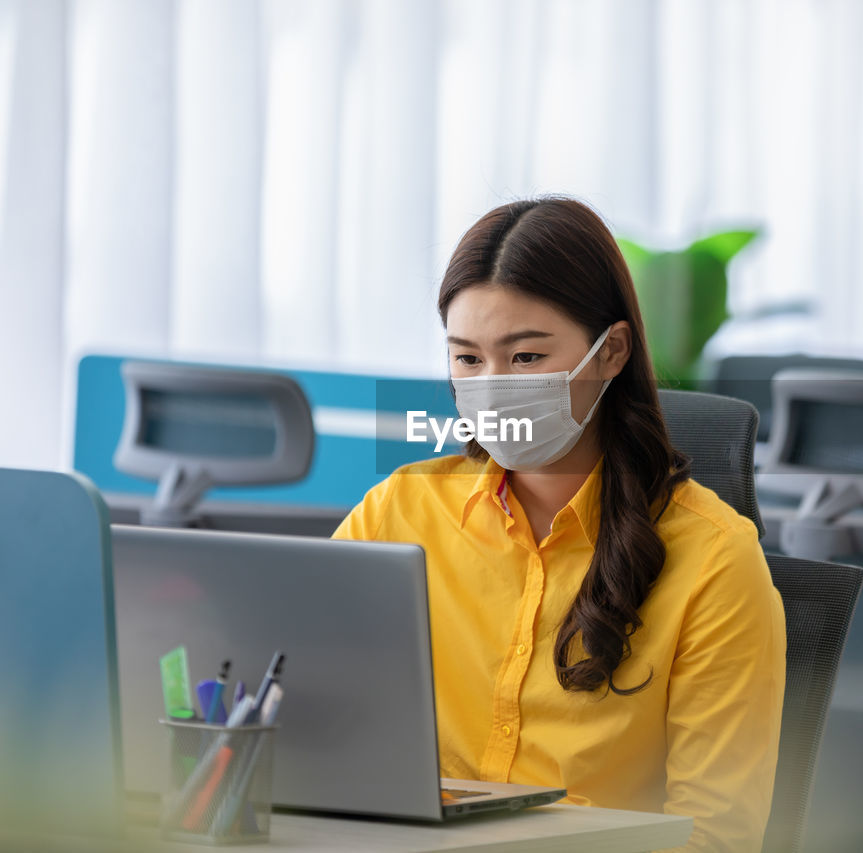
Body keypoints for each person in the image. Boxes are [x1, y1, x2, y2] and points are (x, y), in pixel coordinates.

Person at [332, 196, 785, 852]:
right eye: (467, 359)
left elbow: (714, 837)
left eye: (524, 358)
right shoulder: (397, 513)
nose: (491, 386)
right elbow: (306, 719)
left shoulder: (715, 560)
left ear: (612, 351)